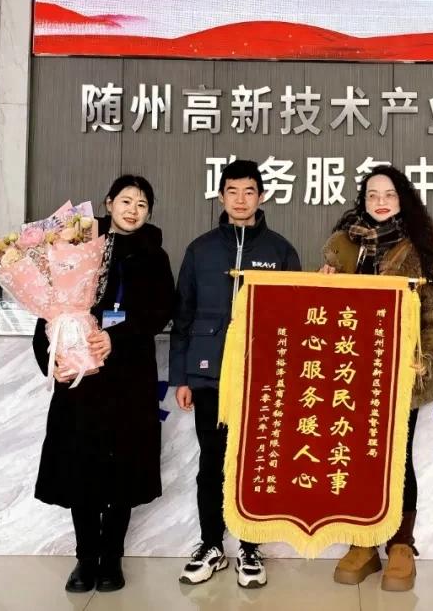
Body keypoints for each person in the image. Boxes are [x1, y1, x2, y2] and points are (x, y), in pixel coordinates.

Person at [31, 175, 175, 594]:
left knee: (123, 470)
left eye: (142, 204)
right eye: (126, 201)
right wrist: (53, 360)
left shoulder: (154, 255)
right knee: (82, 468)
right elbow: (48, 309)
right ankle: (85, 558)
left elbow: (161, 311)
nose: (133, 210)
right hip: (83, 378)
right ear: (109, 203)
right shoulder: (75, 247)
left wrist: (118, 336)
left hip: (130, 378)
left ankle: (111, 557)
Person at [171, 159, 301, 589]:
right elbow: (183, 315)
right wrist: (182, 377)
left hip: (261, 376)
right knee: (211, 461)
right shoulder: (201, 249)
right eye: (232, 191)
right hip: (209, 374)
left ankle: (249, 546)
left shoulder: (280, 251)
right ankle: (211, 544)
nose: (241, 200)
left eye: (249, 191)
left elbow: (295, 317)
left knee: (253, 463)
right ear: (221, 196)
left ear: (261, 197)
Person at [321, 165, 433, 592]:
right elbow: (320, 311)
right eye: (373, 194)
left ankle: (400, 543)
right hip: (349, 373)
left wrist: (424, 360)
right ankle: (363, 541)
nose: (381, 202)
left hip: (399, 377)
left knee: (396, 458)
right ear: (363, 200)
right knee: (356, 457)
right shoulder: (340, 246)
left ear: (403, 200)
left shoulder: (420, 251)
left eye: (390, 194)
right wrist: (320, 286)